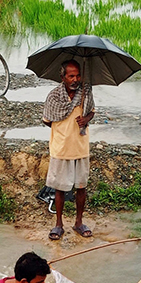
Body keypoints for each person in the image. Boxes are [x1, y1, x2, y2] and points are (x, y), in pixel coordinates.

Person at [42, 59, 95, 240]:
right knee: (59, 188)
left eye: (78, 75)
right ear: (63, 77)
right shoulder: (54, 97)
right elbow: (48, 119)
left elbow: (92, 111)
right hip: (61, 146)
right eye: (71, 76)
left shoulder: (86, 92)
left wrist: (86, 119)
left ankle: (79, 222)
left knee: (81, 186)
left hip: (80, 145)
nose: (75, 79)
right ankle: (58, 224)